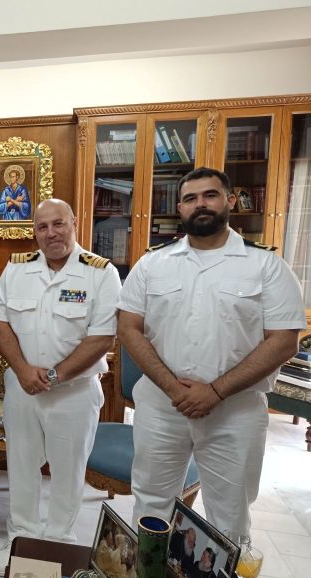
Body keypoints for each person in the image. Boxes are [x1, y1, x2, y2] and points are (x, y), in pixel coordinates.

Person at [117, 167, 306, 537]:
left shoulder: (267, 265)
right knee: (151, 505)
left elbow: (284, 340)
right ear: (180, 208)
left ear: (230, 201)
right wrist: (174, 388)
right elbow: (128, 328)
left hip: (234, 410)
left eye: (210, 195)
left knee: (229, 516)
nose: (200, 204)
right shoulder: (152, 263)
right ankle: (150, 568)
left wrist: (216, 391)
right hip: (162, 406)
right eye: (190, 198)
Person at [0, 199, 121, 576]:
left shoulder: (101, 273)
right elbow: (1, 324)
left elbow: (103, 337)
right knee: (21, 466)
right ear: (34, 232)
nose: (51, 233)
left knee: (67, 471)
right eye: (42, 227)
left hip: (73, 394)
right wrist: (22, 370)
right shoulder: (16, 269)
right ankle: (21, 537)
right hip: (22, 390)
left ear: (74, 223)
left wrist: (52, 376)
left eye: (59, 224)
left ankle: (58, 540)